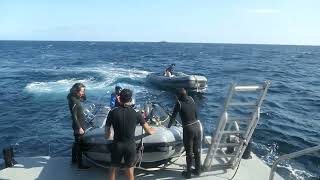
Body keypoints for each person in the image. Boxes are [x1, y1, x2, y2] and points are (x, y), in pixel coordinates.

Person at [105, 89, 156, 180]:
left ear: (119, 98)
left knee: (113, 168)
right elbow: (148, 130)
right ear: (131, 99)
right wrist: (152, 130)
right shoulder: (136, 113)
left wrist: (108, 136)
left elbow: (107, 132)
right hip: (130, 145)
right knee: (129, 170)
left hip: (117, 144)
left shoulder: (112, 112)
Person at [168, 88, 202, 179]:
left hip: (188, 128)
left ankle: (188, 173)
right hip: (197, 126)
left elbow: (173, 117)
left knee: (189, 152)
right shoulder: (191, 98)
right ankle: (198, 170)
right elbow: (195, 114)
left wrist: (168, 127)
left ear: (179, 96)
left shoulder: (178, 103)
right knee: (196, 150)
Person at [67, 83, 90, 169]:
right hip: (78, 125)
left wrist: (83, 94)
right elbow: (74, 115)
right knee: (79, 144)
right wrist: (79, 127)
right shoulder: (73, 100)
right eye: (82, 91)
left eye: (84, 91)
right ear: (76, 91)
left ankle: (74, 159)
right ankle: (80, 164)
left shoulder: (75, 97)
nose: (83, 92)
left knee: (76, 142)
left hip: (80, 123)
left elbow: (84, 99)